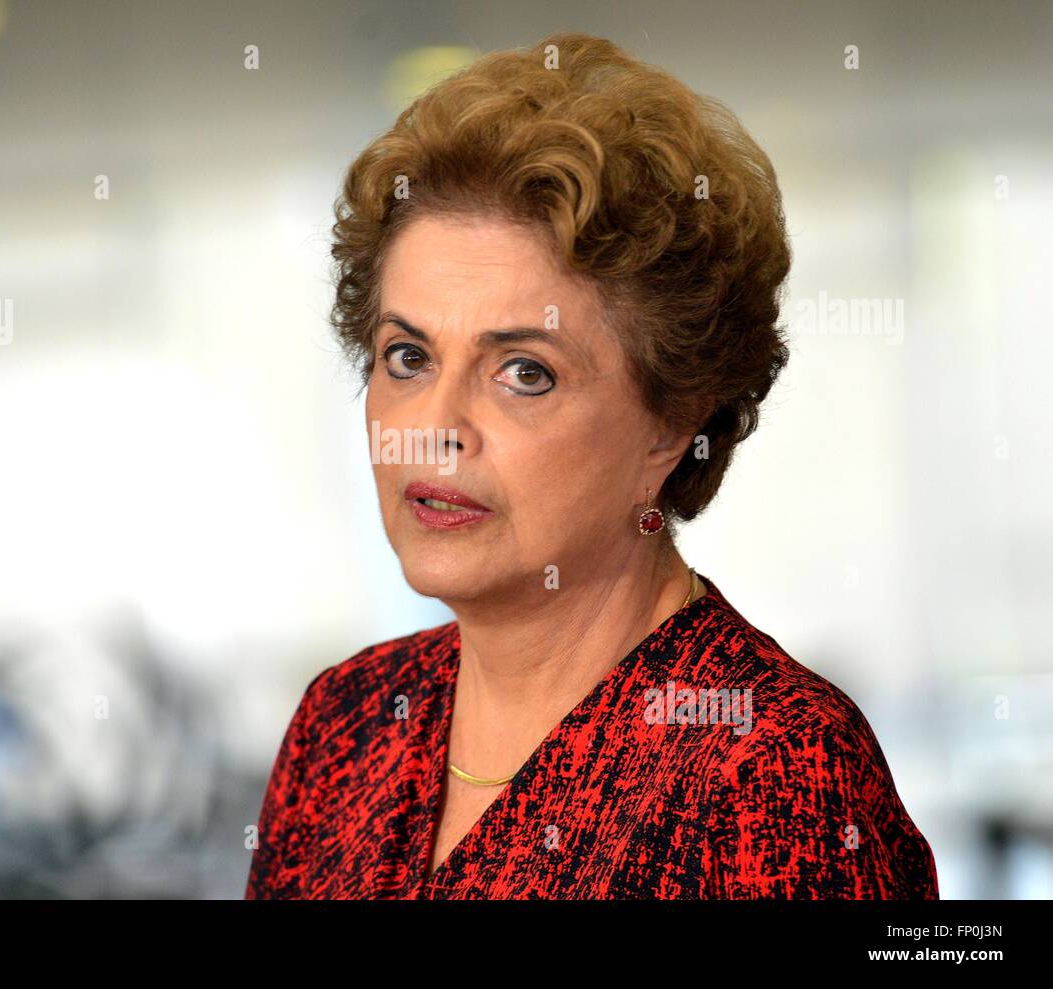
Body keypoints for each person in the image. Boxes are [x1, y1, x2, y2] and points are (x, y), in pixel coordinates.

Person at [246, 31, 938, 899]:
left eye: (523, 372)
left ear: (671, 421)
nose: (433, 429)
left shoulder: (777, 769)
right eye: (407, 356)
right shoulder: (343, 724)